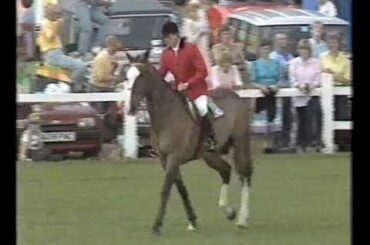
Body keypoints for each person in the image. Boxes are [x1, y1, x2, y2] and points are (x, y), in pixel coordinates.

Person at [160, 21, 224, 152]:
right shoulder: (166, 54)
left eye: (168, 38)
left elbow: (203, 71)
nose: (166, 41)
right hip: (179, 93)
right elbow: (162, 73)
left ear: (175, 35)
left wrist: (188, 83)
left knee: (202, 109)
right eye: (165, 38)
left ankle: (210, 139)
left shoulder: (191, 48)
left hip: (197, 90)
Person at [37, 4, 87, 91]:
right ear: (51, 14)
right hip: (53, 55)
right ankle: (74, 89)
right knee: (80, 66)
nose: (59, 17)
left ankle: (70, 85)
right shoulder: (49, 24)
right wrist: (56, 24)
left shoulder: (49, 23)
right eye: (57, 14)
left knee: (75, 66)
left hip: (55, 54)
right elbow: (49, 36)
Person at [289, 39, 322, 153]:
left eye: (306, 49)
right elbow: (292, 78)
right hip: (299, 95)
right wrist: (299, 86)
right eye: (302, 49)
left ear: (310, 51)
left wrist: (311, 85)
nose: (304, 52)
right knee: (301, 119)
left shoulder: (316, 62)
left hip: (312, 95)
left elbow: (318, 77)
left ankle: (313, 143)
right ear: (298, 50)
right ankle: (300, 144)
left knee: (312, 119)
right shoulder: (294, 62)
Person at [250, 39, 282, 151]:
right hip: (261, 93)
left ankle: (271, 143)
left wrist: (277, 85)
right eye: (263, 48)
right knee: (262, 119)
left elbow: (280, 79)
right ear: (260, 50)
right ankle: (264, 144)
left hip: (273, 92)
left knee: (272, 117)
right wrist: (260, 86)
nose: (265, 51)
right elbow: (252, 80)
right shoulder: (255, 64)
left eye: (267, 48)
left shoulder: (276, 63)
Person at [270, 33, 295, 149]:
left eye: (284, 38)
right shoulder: (273, 56)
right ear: (276, 41)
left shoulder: (290, 57)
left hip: (289, 89)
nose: (282, 41)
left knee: (287, 116)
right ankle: (276, 141)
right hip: (277, 90)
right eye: (279, 39)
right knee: (276, 115)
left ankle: (286, 140)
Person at [89, 35, 126, 112]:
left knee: (112, 111)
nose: (116, 51)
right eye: (116, 48)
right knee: (101, 113)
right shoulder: (102, 58)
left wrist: (115, 68)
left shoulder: (110, 58)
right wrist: (115, 78)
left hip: (107, 88)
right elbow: (100, 77)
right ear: (111, 46)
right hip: (98, 89)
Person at [181, 0, 212, 88]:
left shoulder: (202, 16)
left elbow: (206, 30)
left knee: (206, 66)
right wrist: (199, 34)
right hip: (192, 49)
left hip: (203, 49)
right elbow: (188, 39)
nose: (195, 10)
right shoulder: (187, 22)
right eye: (193, 7)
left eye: (197, 7)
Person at [321, 32, 351, 122]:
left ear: (339, 44)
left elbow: (348, 80)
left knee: (341, 119)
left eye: (334, 42)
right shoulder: (323, 58)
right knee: (326, 119)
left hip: (341, 95)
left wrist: (333, 75)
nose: (332, 45)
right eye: (330, 42)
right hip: (326, 93)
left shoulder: (345, 59)